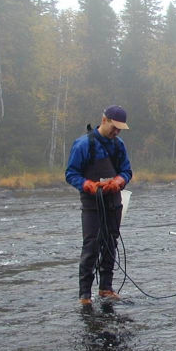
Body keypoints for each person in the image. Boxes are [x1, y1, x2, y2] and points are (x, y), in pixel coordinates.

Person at [65, 104, 133, 305]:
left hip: (114, 201)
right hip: (92, 203)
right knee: (91, 246)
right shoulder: (83, 144)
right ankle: (84, 295)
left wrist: (120, 181)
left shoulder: (119, 145)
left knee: (111, 243)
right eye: (114, 127)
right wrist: (87, 185)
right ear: (104, 120)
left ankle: (106, 288)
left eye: (120, 128)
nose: (117, 131)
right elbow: (71, 174)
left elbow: (127, 171)